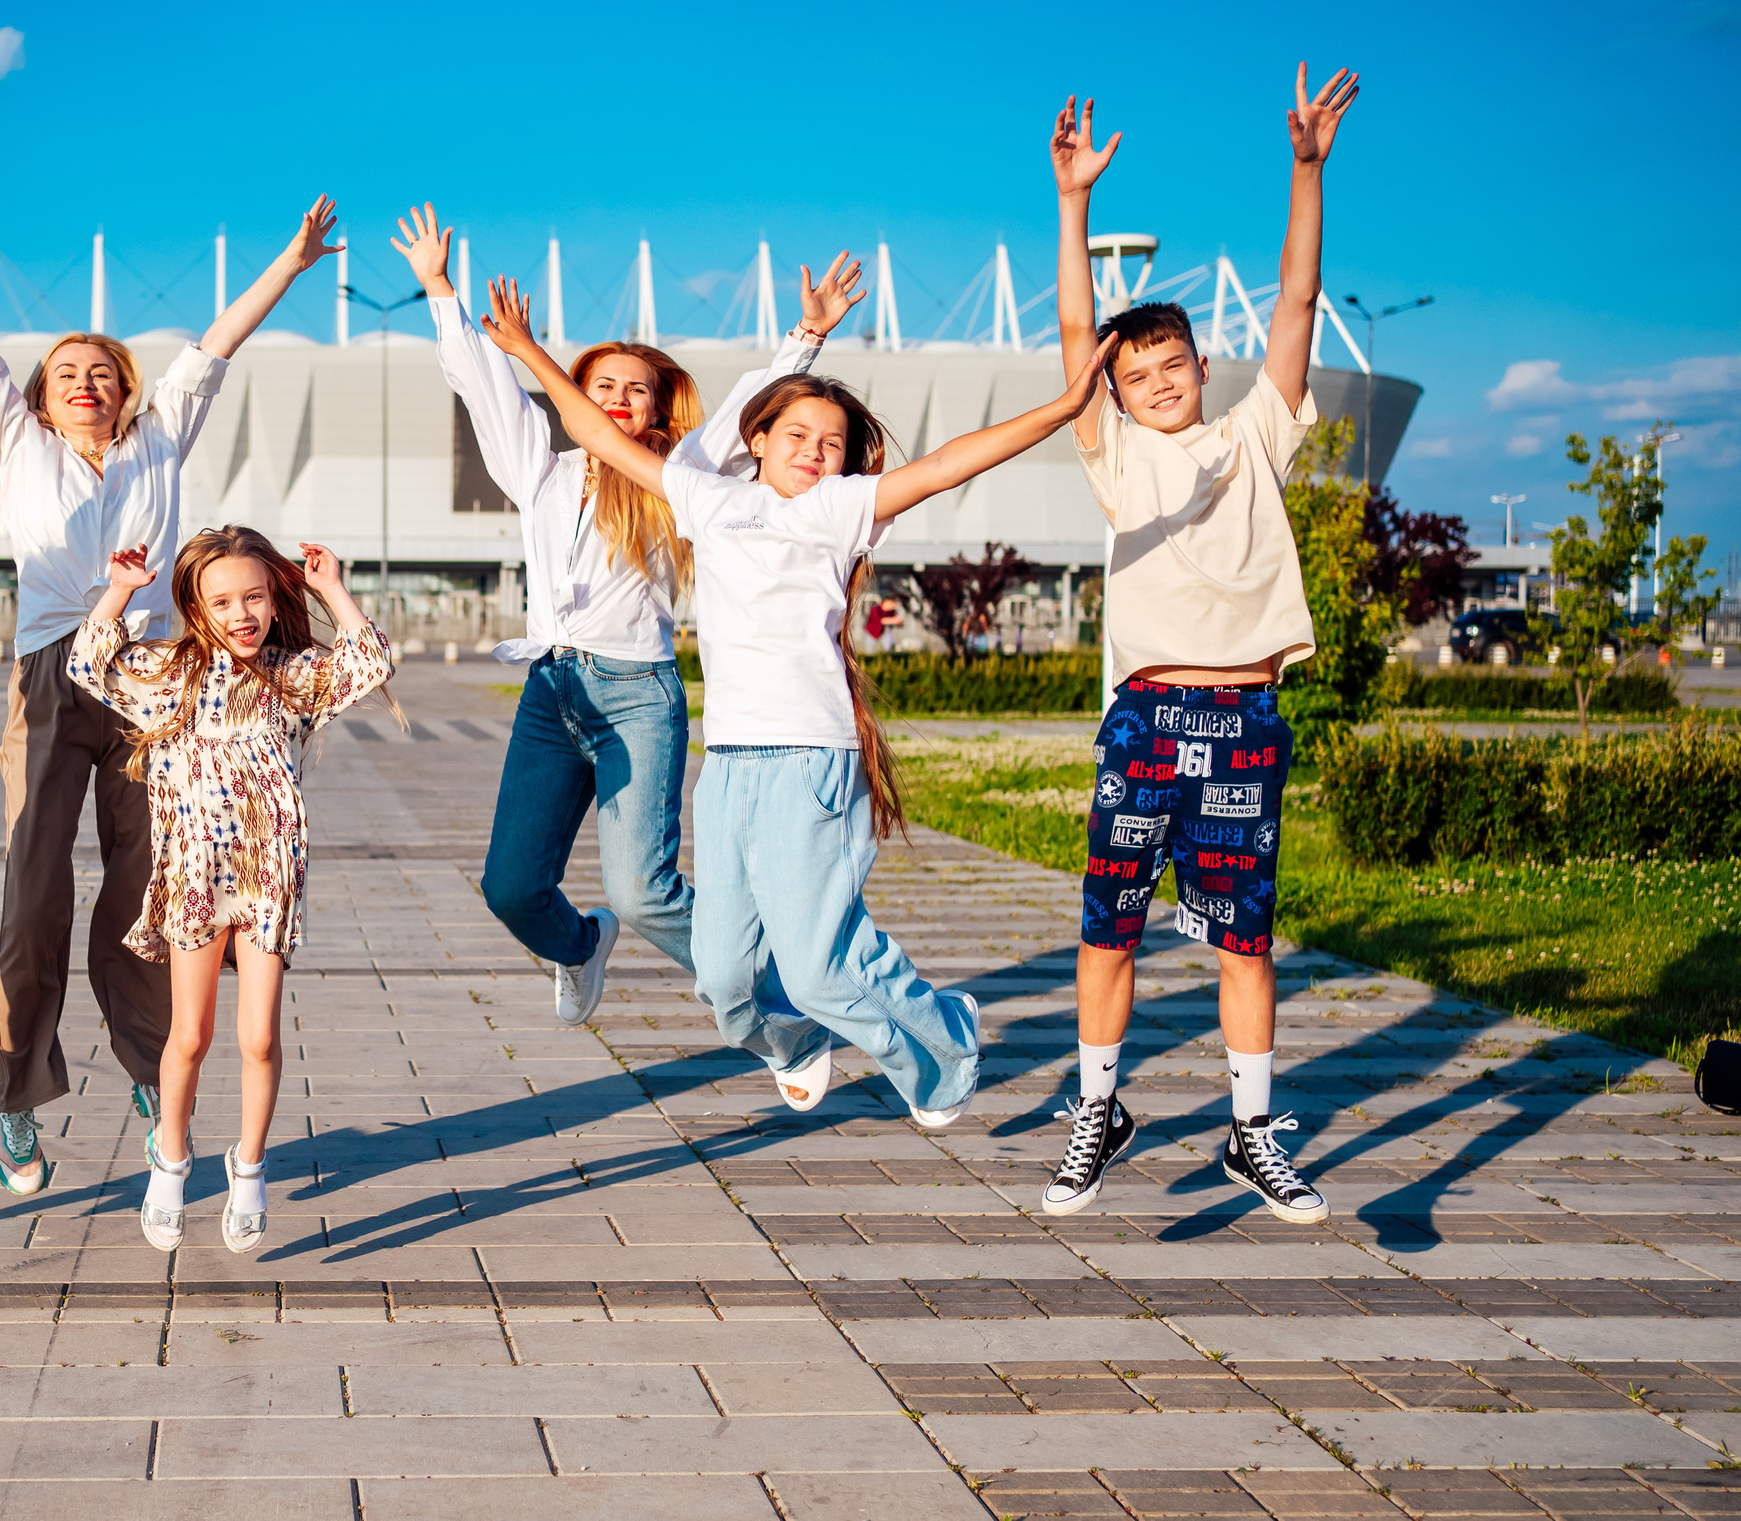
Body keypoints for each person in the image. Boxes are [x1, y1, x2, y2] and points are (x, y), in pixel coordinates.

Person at [0, 153, 343, 1197]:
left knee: (149, 885)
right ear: (42, 393)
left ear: (125, 390)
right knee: (33, 891)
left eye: (102, 371)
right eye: (68, 372)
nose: (87, 382)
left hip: (155, 680)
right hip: (51, 675)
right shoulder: (15, 438)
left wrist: (290, 264)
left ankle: (153, 1067)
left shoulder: (160, 440)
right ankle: (17, 1091)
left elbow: (216, 343)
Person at [486, 275, 1115, 1119]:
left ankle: (946, 1044)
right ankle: (811, 1038)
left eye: (832, 442)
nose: (816, 451)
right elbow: (594, 430)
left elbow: (946, 463)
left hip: (810, 760)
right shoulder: (708, 496)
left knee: (821, 967)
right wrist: (528, 353)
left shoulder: (837, 509)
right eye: (799, 435)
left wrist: (1062, 405)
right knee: (721, 978)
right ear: (759, 438)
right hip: (732, 766)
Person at [393, 204, 863, 1032]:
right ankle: (578, 947)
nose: (615, 398)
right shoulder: (538, 468)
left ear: (655, 411)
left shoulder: (672, 474)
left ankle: (781, 1005)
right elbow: (484, 384)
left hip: (636, 696)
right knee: (509, 888)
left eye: (633, 390)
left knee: (644, 890)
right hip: (552, 691)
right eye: (600, 385)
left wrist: (806, 338)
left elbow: (735, 424)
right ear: (577, 390)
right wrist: (440, 290)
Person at [1038, 66, 1358, 1223]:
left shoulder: (1254, 437)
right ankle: (1097, 1113)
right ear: (1114, 395)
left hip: (1244, 722)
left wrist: (1305, 168)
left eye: (1172, 366)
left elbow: (1294, 300)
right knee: (1108, 926)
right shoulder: (1116, 456)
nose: (1157, 383)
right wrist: (1073, 208)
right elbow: (1078, 328)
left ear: (1201, 368)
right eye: (1136, 377)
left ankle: (1248, 1134)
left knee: (1243, 941)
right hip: (1148, 717)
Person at [67, 526, 395, 1253]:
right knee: (190, 1033)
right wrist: (120, 590)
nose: (241, 613)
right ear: (195, 604)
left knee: (259, 1035)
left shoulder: (291, 673)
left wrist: (331, 588)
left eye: (253, 596)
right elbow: (89, 664)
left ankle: (249, 1167)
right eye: (222, 601)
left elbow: (368, 661)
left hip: (268, 871)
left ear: (275, 600)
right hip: (194, 873)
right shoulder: (172, 673)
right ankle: (171, 1158)